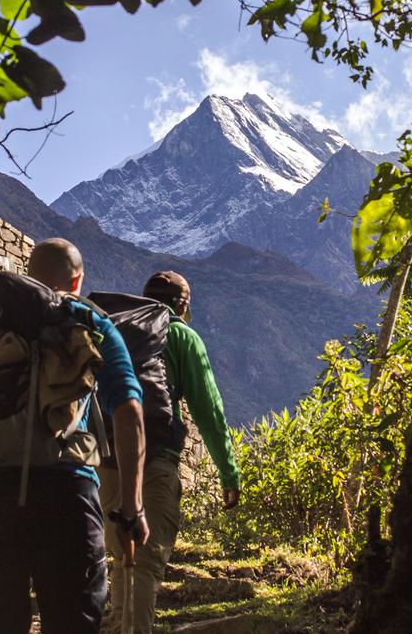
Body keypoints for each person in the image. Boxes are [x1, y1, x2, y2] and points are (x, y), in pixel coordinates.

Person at [0, 238, 149, 634]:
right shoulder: (83, 319)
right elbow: (129, 411)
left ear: (28, 276)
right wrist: (131, 507)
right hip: (66, 495)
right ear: (77, 280)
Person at [99, 270, 241, 634]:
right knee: (144, 562)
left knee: (119, 558)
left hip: (105, 462)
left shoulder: (114, 332)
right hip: (155, 459)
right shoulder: (181, 336)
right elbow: (209, 410)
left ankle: (119, 626)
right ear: (182, 305)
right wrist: (228, 471)